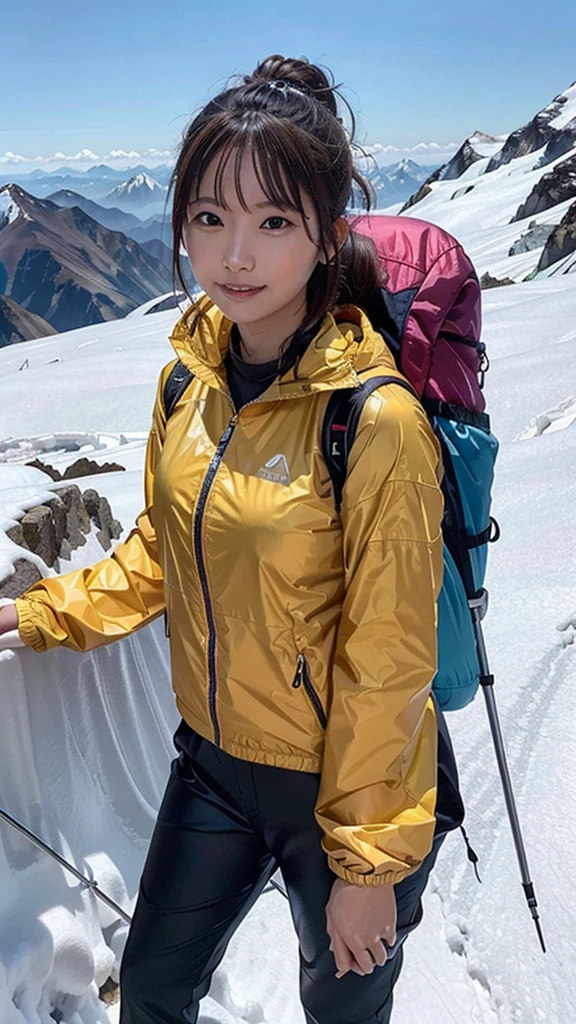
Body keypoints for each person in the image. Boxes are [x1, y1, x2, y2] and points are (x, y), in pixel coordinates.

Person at [0, 55, 464, 1024]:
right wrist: (43, 612)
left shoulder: (373, 422)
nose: (235, 255)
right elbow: (163, 555)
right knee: (156, 997)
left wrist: (369, 863)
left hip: (341, 796)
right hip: (212, 763)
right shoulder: (190, 384)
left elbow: (390, 662)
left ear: (327, 235)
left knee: (340, 1011)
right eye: (210, 218)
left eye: (274, 222)